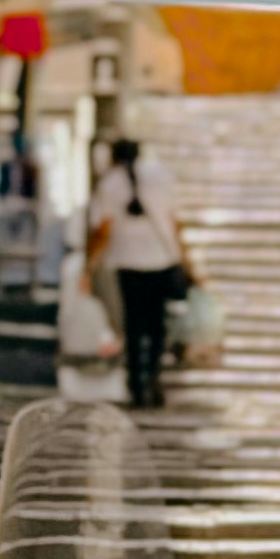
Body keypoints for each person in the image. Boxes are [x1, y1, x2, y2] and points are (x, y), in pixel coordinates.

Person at [86, 133, 190, 411]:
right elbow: (174, 220)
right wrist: (185, 258)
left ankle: (135, 383)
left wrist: (89, 264)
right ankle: (154, 379)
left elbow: (103, 228)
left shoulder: (110, 183)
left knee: (133, 324)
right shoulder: (161, 176)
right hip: (161, 259)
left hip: (126, 262)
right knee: (157, 324)